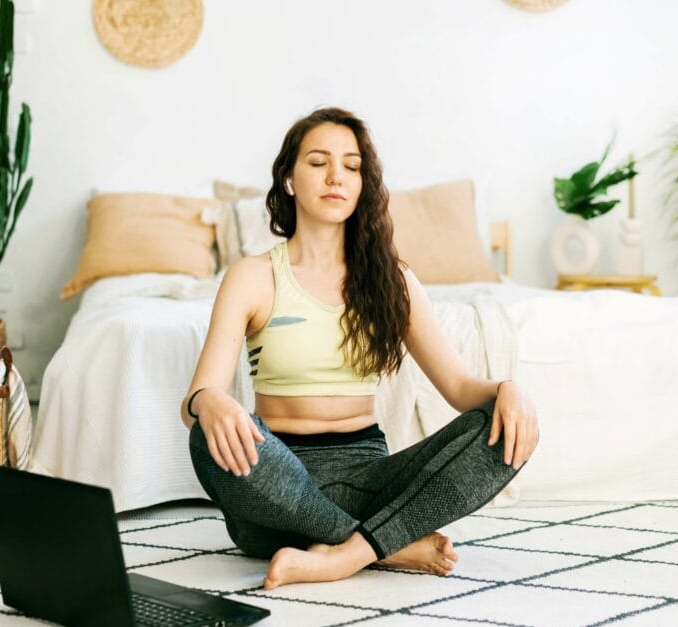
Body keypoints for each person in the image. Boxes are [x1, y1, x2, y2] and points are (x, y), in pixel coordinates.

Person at [181, 107, 539, 590]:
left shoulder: (393, 280)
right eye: (317, 162)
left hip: (370, 478)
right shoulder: (253, 276)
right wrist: (211, 402)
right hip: (274, 486)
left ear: (363, 184)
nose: (336, 176)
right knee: (206, 436)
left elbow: (458, 387)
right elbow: (197, 399)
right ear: (288, 178)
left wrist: (507, 389)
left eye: (351, 166)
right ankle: (385, 544)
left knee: (502, 428)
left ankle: (341, 556)